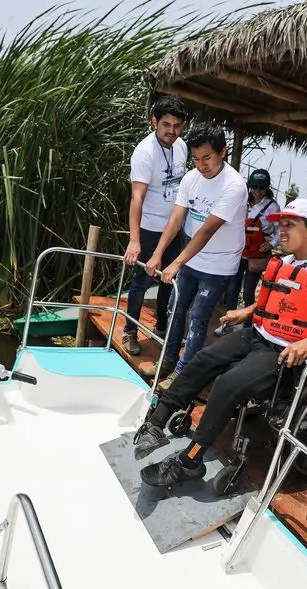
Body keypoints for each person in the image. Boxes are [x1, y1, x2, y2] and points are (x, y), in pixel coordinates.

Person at [134, 199, 307, 487]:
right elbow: (278, 302)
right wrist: (246, 312)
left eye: (289, 225)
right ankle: (156, 422)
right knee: (203, 359)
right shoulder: (287, 262)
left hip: (289, 353)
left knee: (227, 384)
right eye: (280, 224)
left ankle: (190, 461)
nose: (280, 230)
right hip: (259, 334)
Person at [142, 123, 248, 385]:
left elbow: (207, 230)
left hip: (219, 261)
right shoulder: (191, 178)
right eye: (196, 159)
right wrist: (158, 254)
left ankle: (182, 373)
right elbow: (176, 218)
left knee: (198, 317)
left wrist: (176, 263)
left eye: (207, 158)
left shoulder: (234, 185)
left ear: (222, 152)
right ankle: (167, 361)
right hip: (192, 255)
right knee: (174, 308)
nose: (201, 166)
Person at [122, 95, 189, 355]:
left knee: (168, 279)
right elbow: (137, 197)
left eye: (177, 126)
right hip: (150, 227)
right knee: (141, 281)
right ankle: (130, 331)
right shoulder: (145, 152)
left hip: (174, 229)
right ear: (154, 122)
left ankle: (162, 328)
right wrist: (135, 240)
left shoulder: (181, 146)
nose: (172, 131)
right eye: (166, 125)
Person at [223, 168, 280, 320]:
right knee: (232, 289)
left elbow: (279, 231)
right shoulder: (243, 203)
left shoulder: (272, 207)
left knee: (248, 292)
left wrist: (271, 245)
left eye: (262, 188)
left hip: (257, 255)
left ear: (267, 188)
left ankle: (248, 325)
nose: (257, 191)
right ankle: (228, 321)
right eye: (254, 187)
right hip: (239, 252)